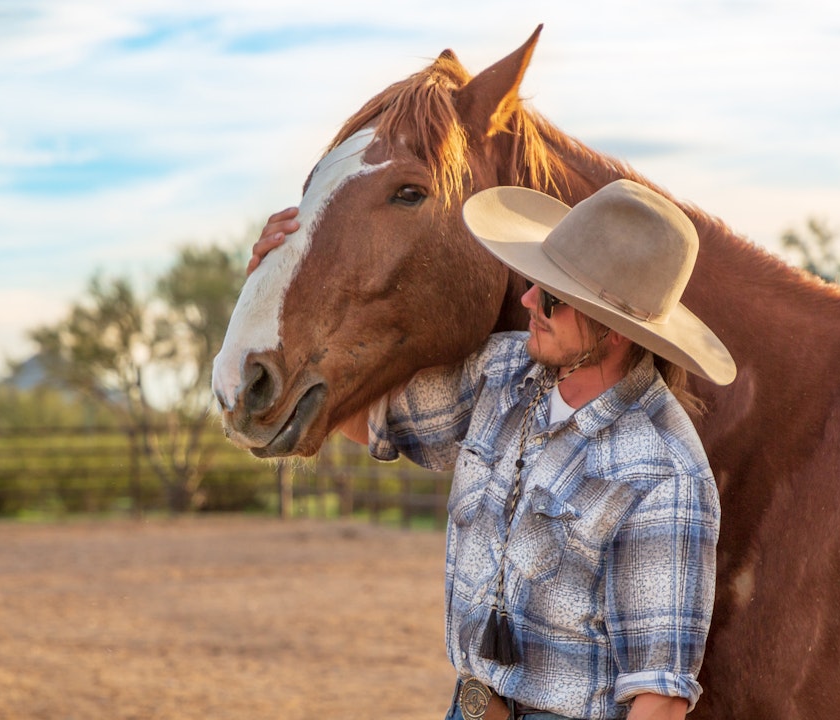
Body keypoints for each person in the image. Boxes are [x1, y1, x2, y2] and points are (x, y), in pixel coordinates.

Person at [249, 179, 736, 720]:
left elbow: (659, 700)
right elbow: (357, 413)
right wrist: (274, 293)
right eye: (536, 281)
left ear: (613, 329)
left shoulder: (664, 472)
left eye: (552, 296)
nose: (529, 299)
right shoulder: (502, 373)